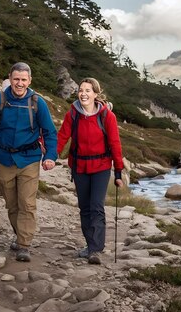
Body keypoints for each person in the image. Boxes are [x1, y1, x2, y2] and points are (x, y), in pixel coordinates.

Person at [0, 62, 58, 262]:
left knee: (27, 203)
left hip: (29, 159)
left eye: (23, 80)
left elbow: (50, 132)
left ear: (29, 81)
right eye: (16, 79)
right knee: (11, 204)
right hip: (4, 158)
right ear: (10, 79)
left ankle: (23, 244)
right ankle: (19, 233)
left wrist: (50, 156)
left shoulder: (38, 103)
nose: (19, 83)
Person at [56, 77, 124, 265]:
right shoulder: (73, 114)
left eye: (88, 90)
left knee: (96, 206)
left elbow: (115, 144)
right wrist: (50, 156)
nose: (83, 93)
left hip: (101, 167)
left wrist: (118, 171)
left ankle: (96, 249)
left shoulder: (106, 116)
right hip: (79, 166)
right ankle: (89, 245)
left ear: (96, 94)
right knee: (84, 208)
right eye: (81, 90)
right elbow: (62, 136)